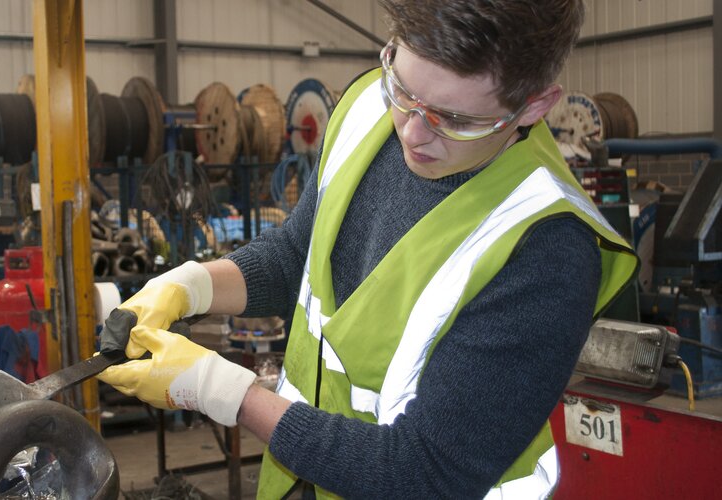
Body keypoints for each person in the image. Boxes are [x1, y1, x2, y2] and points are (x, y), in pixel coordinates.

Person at [98, 0, 638, 498]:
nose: (413, 132)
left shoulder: (544, 246)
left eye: (455, 119)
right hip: (300, 479)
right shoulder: (364, 109)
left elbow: (425, 472)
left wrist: (221, 390)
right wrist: (190, 285)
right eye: (403, 89)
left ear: (533, 106)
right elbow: (296, 256)